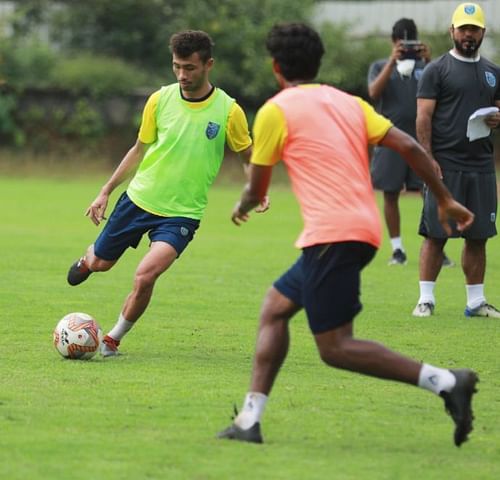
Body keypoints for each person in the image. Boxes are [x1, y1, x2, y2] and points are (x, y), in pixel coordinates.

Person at [217, 22, 478, 447]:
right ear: (318, 62)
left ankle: (447, 381)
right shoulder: (349, 103)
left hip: (333, 235)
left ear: (276, 67)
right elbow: (411, 147)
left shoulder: (275, 110)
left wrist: (244, 204)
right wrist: (444, 198)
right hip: (357, 230)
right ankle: (249, 420)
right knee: (275, 308)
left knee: (336, 347)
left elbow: (258, 186)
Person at [66, 30, 253, 356]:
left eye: (190, 68)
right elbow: (139, 150)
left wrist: (258, 189)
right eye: (177, 66)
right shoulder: (160, 99)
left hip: (182, 213)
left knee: (145, 275)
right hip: (139, 200)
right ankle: (89, 258)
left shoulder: (228, 111)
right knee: (101, 264)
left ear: (208, 64)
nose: (183, 75)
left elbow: (249, 157)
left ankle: (112, 339)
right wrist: (105, 190)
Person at [412, 2, 500, 318]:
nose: (468, 34)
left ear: (482, 33)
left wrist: (496, 119)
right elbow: (423, 117)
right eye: (463, 28)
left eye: (473, 29)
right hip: (445, 165)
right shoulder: (437, 70)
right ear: (452, 31)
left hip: (481, 166)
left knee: (478, 237)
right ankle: (425, 299)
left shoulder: (493, 72)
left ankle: (476, 302)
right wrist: (428, 159)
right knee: (437, 234)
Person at [368, 19, 454, 267]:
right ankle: (397, 249)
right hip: (389, 138)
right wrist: (392, 61)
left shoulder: (428, 68)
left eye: (410, 44)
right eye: (401, 44)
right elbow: (373, 93)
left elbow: (446, 91)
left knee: (429, 192)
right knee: (390, 192)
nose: (405, 48)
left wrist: (428, 60)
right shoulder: (380, 65)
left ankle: (437, 247)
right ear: (394, 42)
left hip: (421, 140)